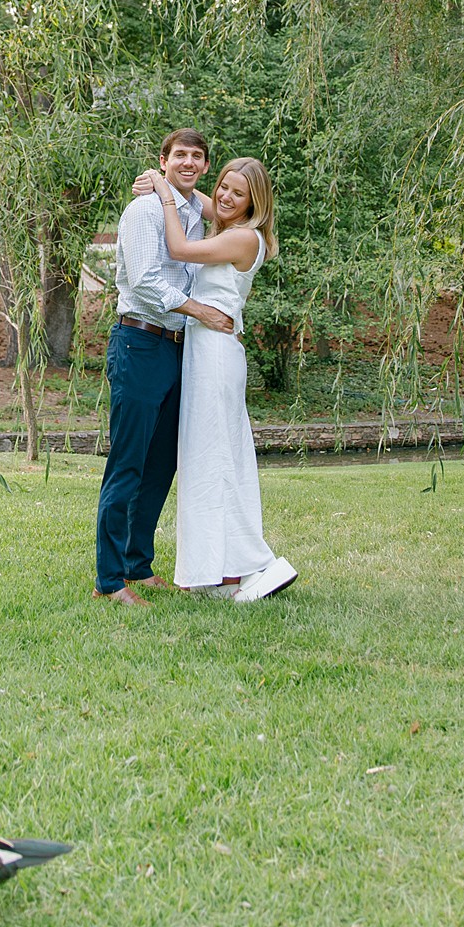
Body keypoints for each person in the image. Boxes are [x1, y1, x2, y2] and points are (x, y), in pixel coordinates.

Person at [94, 129, 236, 608]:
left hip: (178, 349)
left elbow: (242, 210)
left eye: (198, 157)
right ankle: (110, 580)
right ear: (164, 160)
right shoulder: (144, 210)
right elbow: (147, 281)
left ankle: (138, 563)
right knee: (128, 463)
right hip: (139, 341)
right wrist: (199, 310)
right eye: (180, 156)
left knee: (160, 464)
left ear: (205, 166)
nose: (189, 163)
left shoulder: (194, 212)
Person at [148, 156, 297, 602]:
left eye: (238, 192)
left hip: (214, 353)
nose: (226, 196)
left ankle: (252, 563)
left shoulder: (242, 239)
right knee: (207, 456)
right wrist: (176, 179)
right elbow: (204, 199)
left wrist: (163, 192)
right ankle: (219, 572)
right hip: (204, 349)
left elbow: (178, 249)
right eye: (224, 187)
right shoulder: (231, 224)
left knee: (217, 456)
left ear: (256, 202)